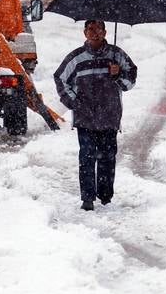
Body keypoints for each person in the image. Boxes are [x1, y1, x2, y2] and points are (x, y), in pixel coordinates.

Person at [54, 19, 137, 211]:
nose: (94, 33)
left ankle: (106, 196)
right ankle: (88, 198)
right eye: (90, 30)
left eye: (98, 29)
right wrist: (74, 102)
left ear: (105, 32)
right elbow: (60, 78)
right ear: (84, 33)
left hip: (110, 115)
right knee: (87, 157)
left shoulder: (117, 55)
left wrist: (117, 74)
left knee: (108, 157)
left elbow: (130, 81)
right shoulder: (76, 58)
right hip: (85, 118)